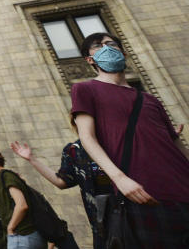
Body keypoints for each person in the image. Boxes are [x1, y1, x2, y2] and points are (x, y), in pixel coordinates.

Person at [71, 32, 189, 248]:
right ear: (90, 60)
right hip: (144, 195)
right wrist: (119, 178)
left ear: (123, 53)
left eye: (111, 44)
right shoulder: (84, 89)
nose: (107, 48)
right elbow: (86, 137)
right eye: (98, 46)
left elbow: (176, 143)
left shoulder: (150, 99)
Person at [10, 137, 110, 249]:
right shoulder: (74, 149)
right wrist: (32, 159)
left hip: (129, 211)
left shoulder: (114, 138)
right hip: (103, 227)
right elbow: (61, 181)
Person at [0, 143, 45, 249]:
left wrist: (10, 227)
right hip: (21, 236)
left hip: (22, 235)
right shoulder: (2, 178)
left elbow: (22, 205)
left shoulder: (6, 177)